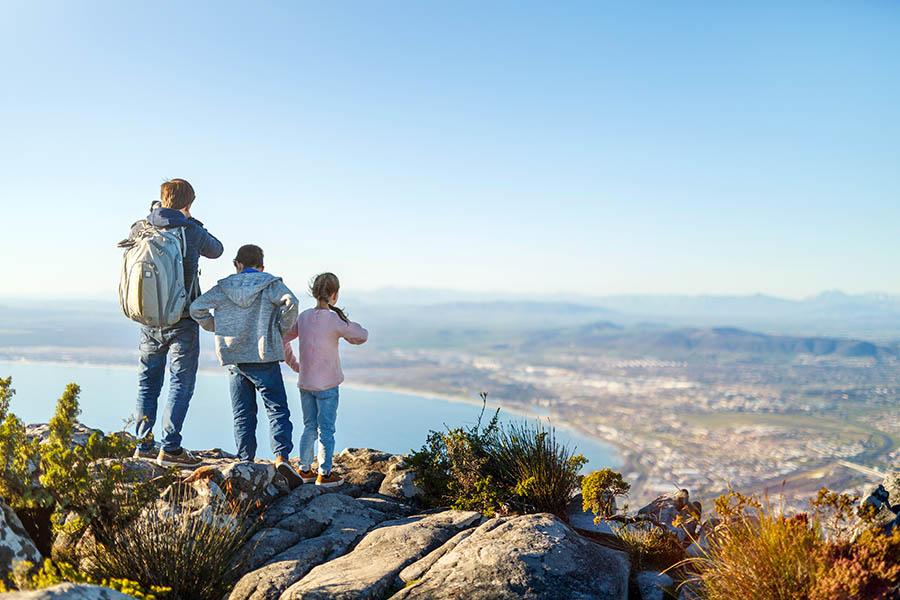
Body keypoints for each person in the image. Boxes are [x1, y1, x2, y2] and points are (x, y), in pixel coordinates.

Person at [190, 244, 303, 488]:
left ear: (237, 264)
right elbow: (291, 302)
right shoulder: (270, 284)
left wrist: (217, 327)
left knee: (243, 412)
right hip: (264, 357)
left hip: (235, 357)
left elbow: (196, 307)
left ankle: (245, 460)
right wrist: (279, 329)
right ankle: (282, 457)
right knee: (276, 408)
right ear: (261, 266)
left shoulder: (223, 287)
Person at [132, 179, 223, 467]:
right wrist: (190, 220)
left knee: (148, 382)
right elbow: (217, 249)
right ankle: (170, 449)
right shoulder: (190, 230)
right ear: (188, 204)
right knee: (180, 383)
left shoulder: (141, 227)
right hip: (182, 318)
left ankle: (143, 445)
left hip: (149, 318)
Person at [283, 273, 368, 487]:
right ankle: (325, 473)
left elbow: (283, 340)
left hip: (305, 383)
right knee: (326, 429)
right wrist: (344, 325)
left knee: (309, 426)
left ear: (314, 293)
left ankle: (304, 470)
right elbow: (362, 335)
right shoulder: (334, 320)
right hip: (328, 386)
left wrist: (296, 366)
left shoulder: (303, 317)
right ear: (334, 294)